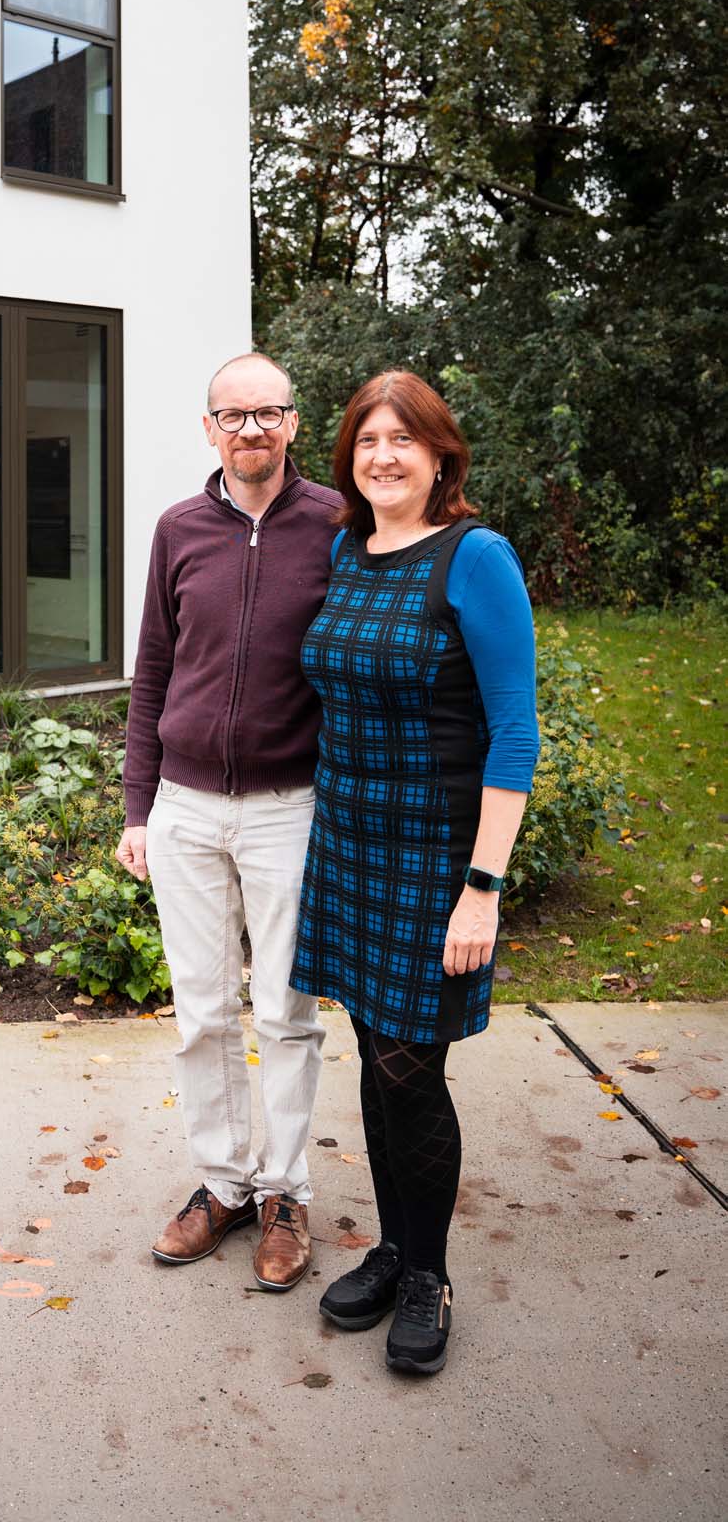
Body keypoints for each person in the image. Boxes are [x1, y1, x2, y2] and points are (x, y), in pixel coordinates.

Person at [289, 370, 539, 1376]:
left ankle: (429, 1273)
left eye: (402, 439)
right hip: (349, 847)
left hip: (434, 859)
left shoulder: (474, 556)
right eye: (365, 441)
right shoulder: (349, 550)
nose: (381, 455)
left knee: (410, 1068)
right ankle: (392, 1247)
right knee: (373, 1056)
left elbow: (514, 731)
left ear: (441, 455)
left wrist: (481, 884)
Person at [116, 352, 342, 1290]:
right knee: (200, 1013)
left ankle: (284, 1192)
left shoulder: (337, 524)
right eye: (232, 415)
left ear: (291, 423)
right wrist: (138, 806)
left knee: (286, 1014)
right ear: (208, 428)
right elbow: (152, 675)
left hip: (289, 808)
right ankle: (222, 1186)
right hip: (186, 808)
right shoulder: (178, 530)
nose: (251, 429)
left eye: (268, 413)